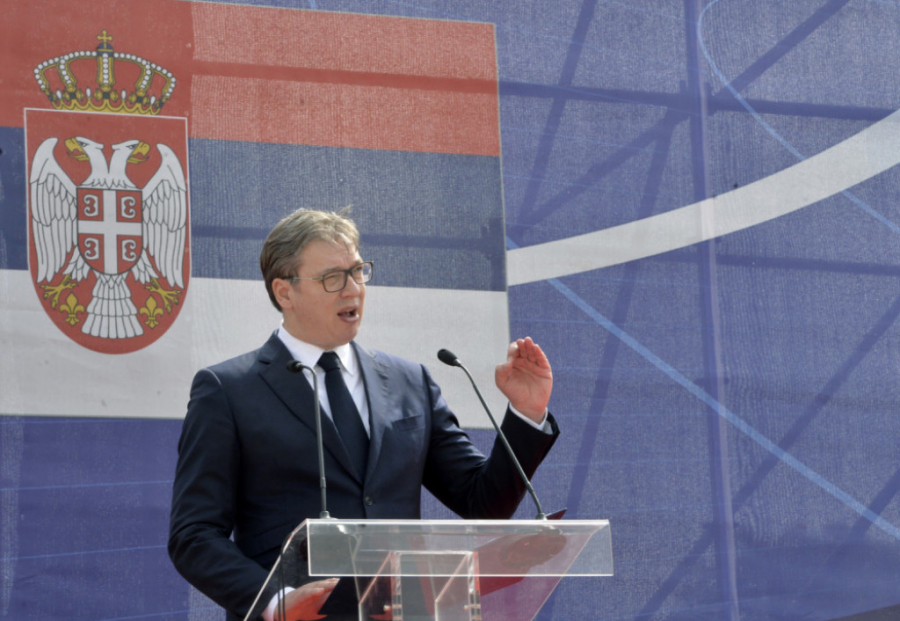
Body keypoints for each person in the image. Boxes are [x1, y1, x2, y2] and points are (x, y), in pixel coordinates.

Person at [168, 209, 559, 621]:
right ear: (285, 292)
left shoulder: (410, 382)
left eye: (357, 271)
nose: (353, 289)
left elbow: (482, 503)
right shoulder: (229, 390)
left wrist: (526, 412)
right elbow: (194, 535)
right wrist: (276, 602)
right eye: (332, 278)